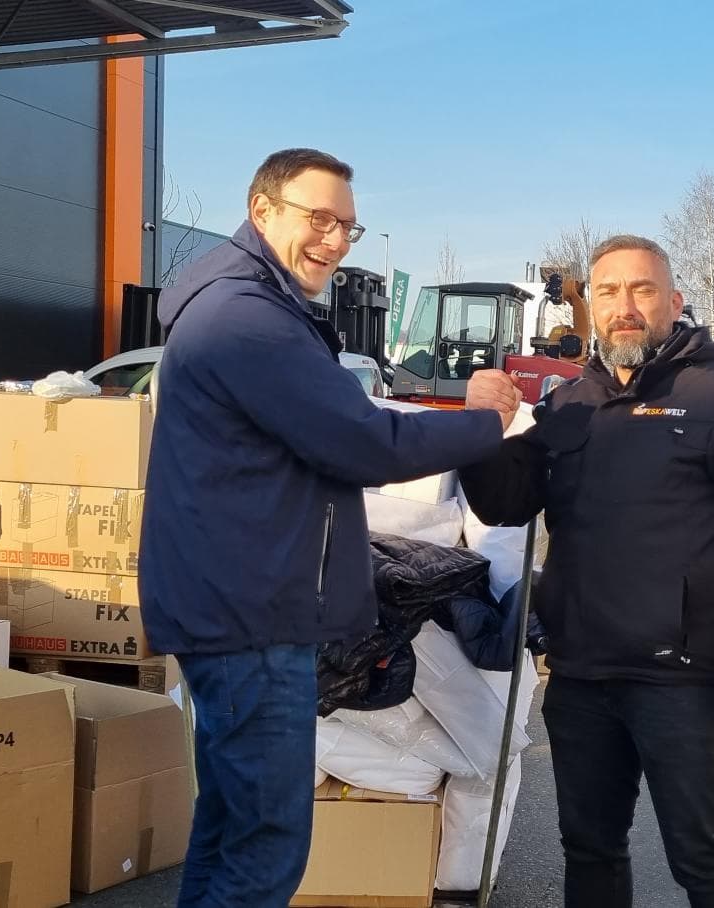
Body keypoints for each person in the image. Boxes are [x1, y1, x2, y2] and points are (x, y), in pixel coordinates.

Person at [139, 148, 517, 908]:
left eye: (348, 224)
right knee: (269, 845)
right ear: (262, 210)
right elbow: (365, 442)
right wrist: (488, 422)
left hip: (232, 602)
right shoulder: (247, 318)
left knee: (230, 824)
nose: (337, 241)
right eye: (319, 219)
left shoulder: (238, 305)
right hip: (252, 615)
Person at [459, 234, 714, 908]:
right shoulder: (571, 404)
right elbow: (504, 502)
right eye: (608, 291)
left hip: (683, 682)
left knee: (703, 858)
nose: (624, 305)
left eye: (642, 289)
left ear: (674, 301)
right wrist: (483, 423)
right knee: (590, 851)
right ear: (589, 307)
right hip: (581, 674)